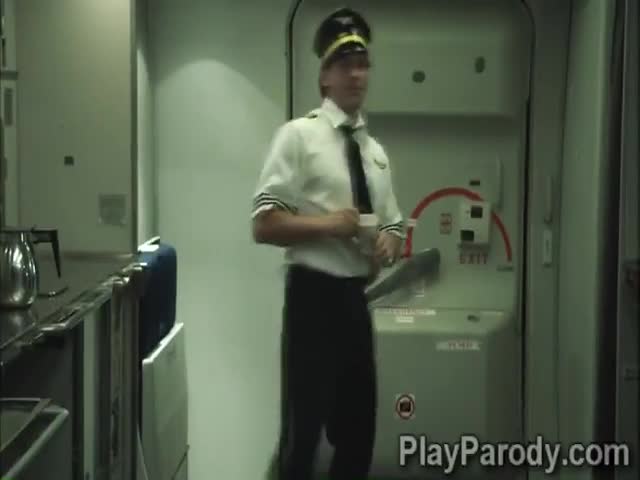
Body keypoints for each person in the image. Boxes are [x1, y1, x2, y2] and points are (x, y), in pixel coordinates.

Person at [251, 7, 405, 480]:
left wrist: (390, 241)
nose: (356, 75)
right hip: (312, 298)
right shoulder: (299, 137)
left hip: (355, 300)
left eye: (362, 65)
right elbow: (264, 224)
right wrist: (328, 225)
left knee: (358, 434)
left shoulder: (375, 154)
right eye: (344, 65)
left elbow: (395, 225)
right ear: (324, 76)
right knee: (303, 436)